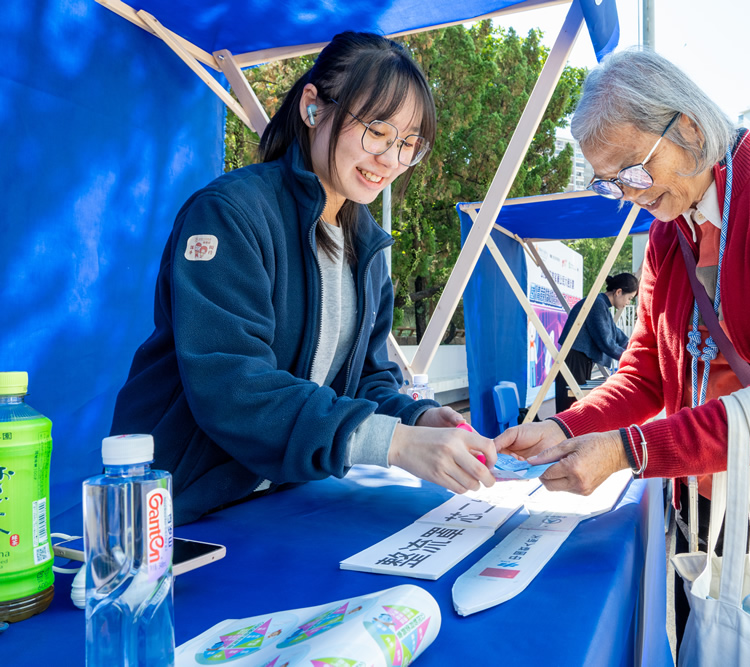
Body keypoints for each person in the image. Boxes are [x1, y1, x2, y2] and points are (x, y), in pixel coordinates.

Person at [495, 49, 750, 666]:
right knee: (706, 651)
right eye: (610, 182)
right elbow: (645, 374)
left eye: (632, 170)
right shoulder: (669, 232)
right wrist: (562, 429)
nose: (627, 193)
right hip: (701, 501)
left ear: (687, 128)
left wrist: (628, 451)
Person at [110, 32, 496, 526]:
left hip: (276, 503)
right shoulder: (230, 214)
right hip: (177, 508)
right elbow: (233, 384)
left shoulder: (368, 248)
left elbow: (364, 382)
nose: (390, 159)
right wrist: (397, 443)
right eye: (377, 130)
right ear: (313, 107)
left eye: (407, 144)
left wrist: (414, 418)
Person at [554, 272, 638, 412]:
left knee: (574, 407)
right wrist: (631, 358)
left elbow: (616, 333)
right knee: (569, 408)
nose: (628, 303)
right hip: (574, 359)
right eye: (629, 298)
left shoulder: (601, 304)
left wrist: (635, 347)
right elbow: (606, 342)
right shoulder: (597, 304)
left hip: (580, 359)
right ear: (618, 292)